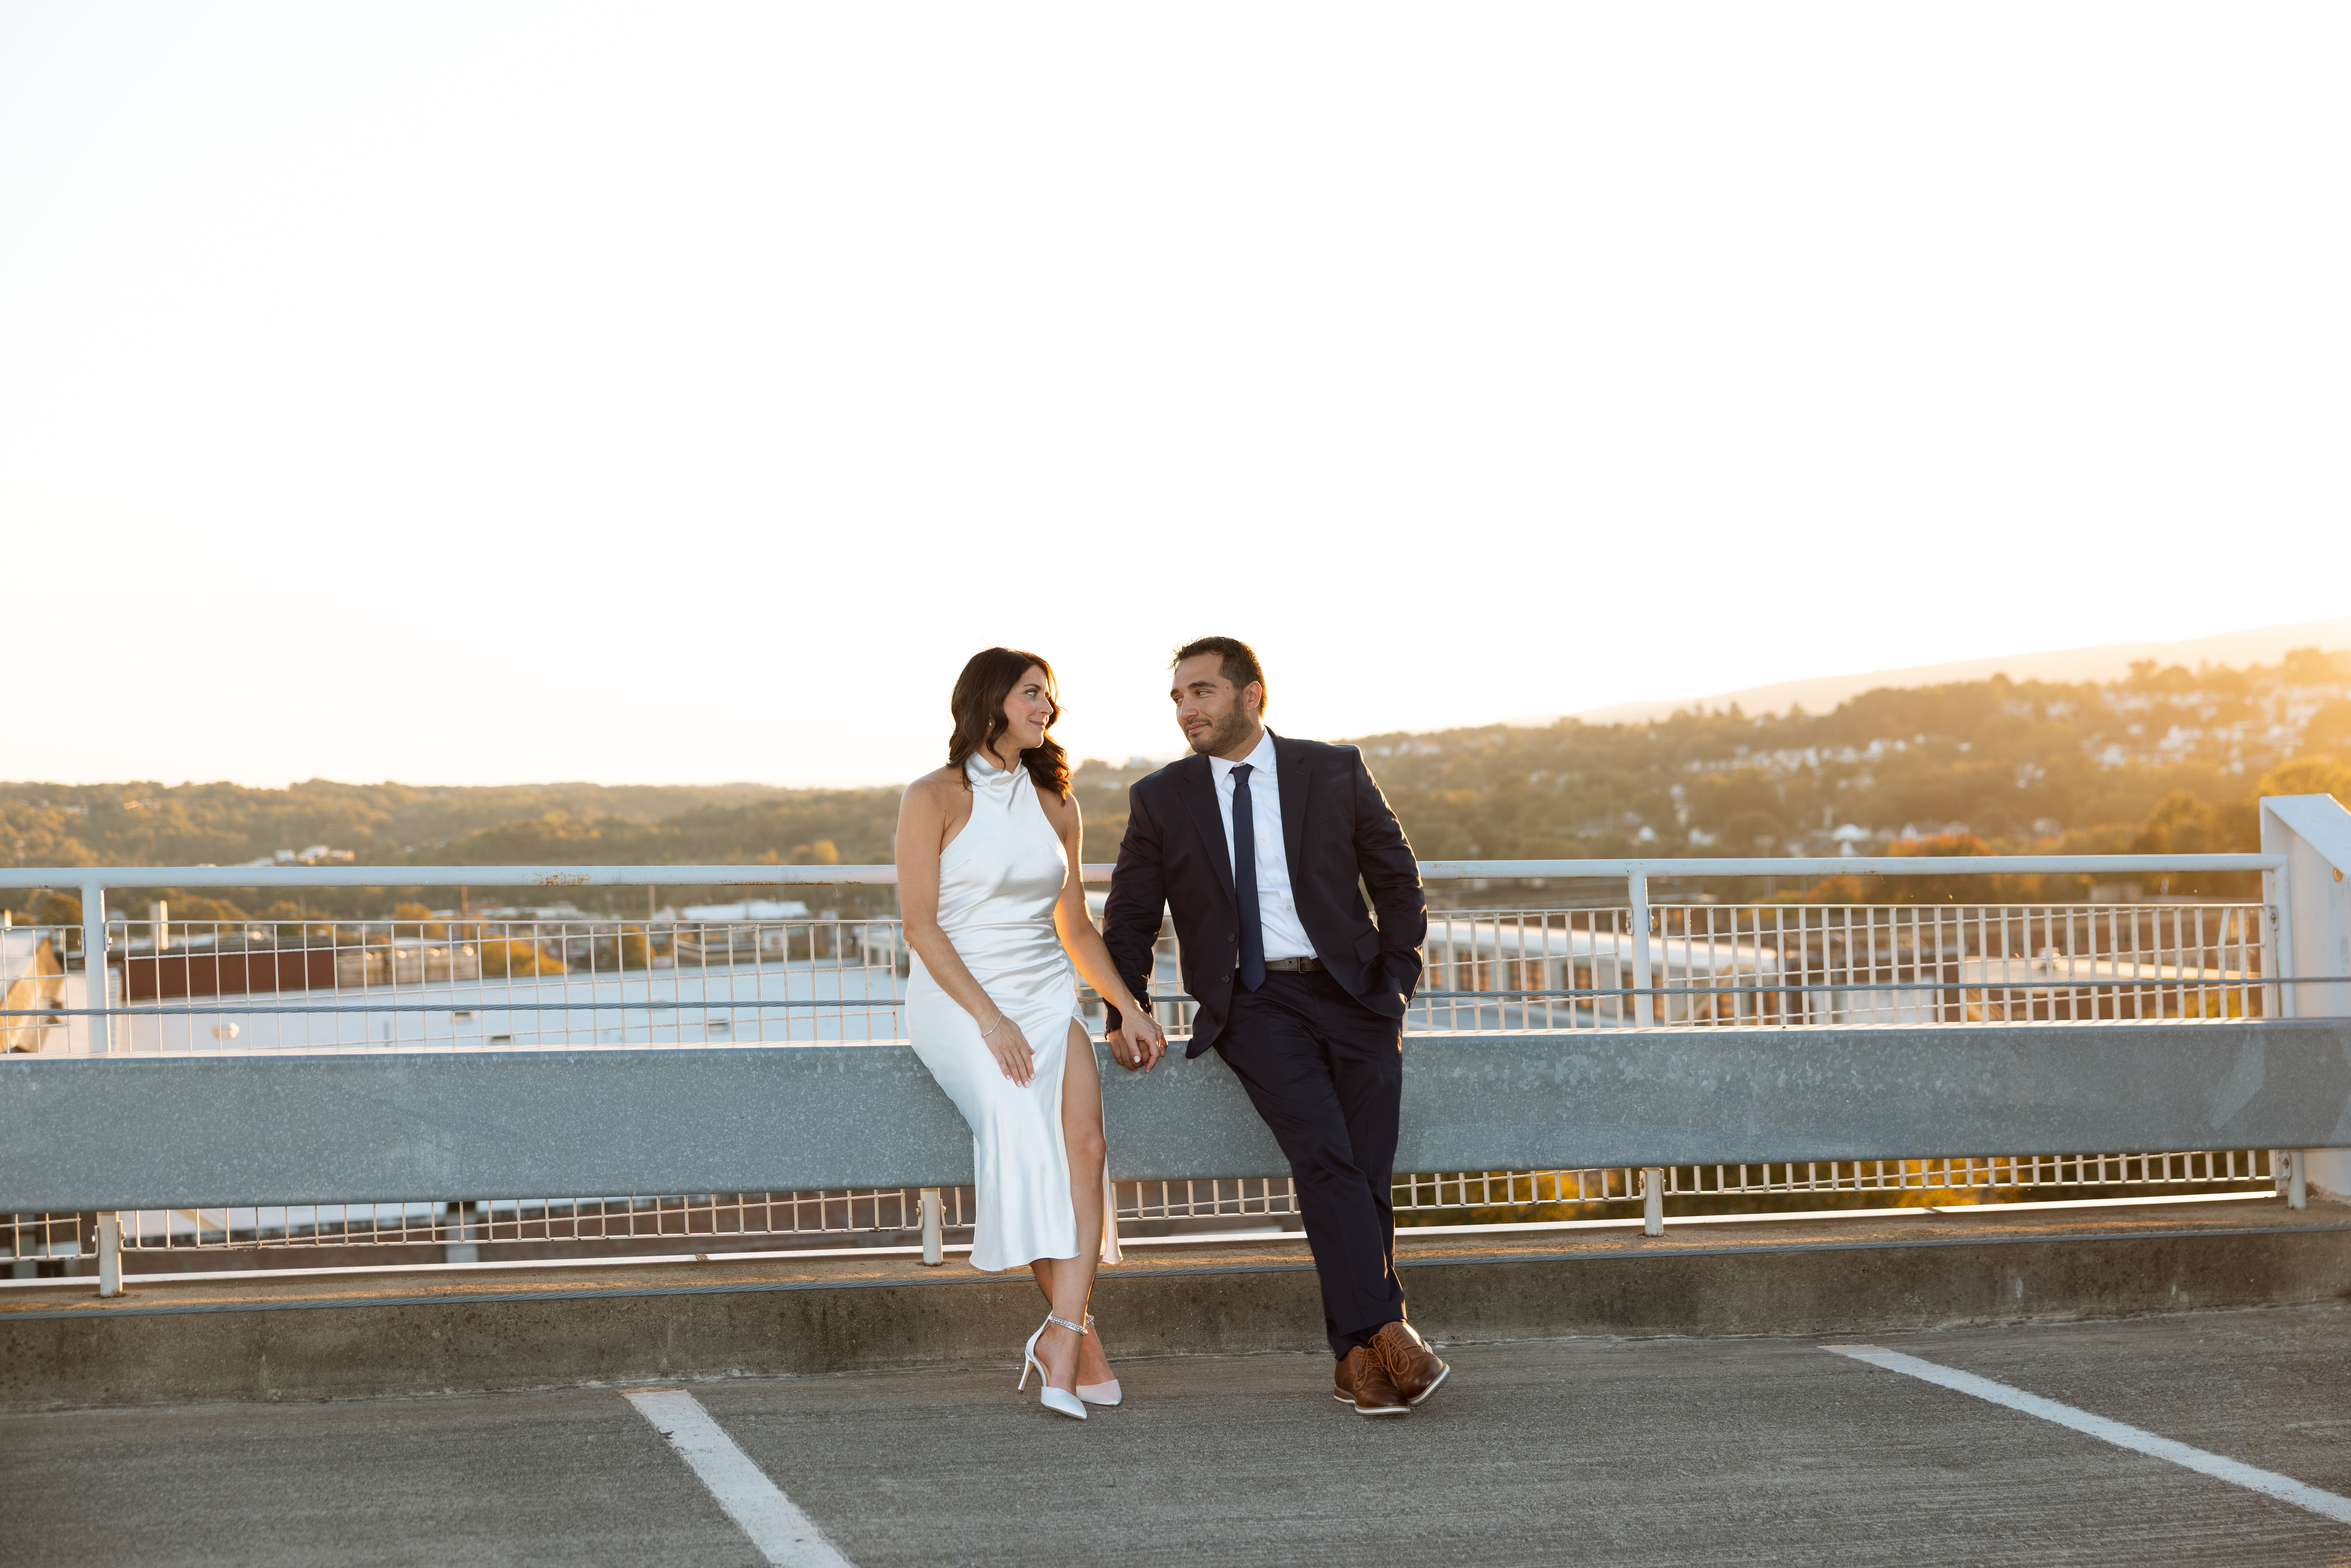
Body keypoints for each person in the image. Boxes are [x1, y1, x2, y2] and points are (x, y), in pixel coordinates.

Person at [1100, 636, 1447, 1417]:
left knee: (1364, 1169)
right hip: (1253, 1001)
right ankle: (1391, 1330)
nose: (1187, 709)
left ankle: (1357, 1360)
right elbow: (1131, 916)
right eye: (1179, 697)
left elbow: (1397, 876)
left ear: (1251, 694)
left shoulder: (1334, 769)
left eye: (1202, 692)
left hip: (1357, 993)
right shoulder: (1162, 798)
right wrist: (1127, 1008)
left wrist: (1398, 977)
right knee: (1324, 1154)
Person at [895, 647, 1166, 1421]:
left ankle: (1063, 1335)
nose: (1046, 706)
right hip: (961, 1000)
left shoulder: (1056, 802)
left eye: (1048, 695)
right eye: (1030, 693)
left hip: (1046, 992)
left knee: (1086, 1149)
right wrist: (991, 1019)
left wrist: (1127, 1006)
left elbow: (1074, 926)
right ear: (990, 702)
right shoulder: (932, 796)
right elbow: (920, 927)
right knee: (1023, 1141)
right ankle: (1079, 1343)